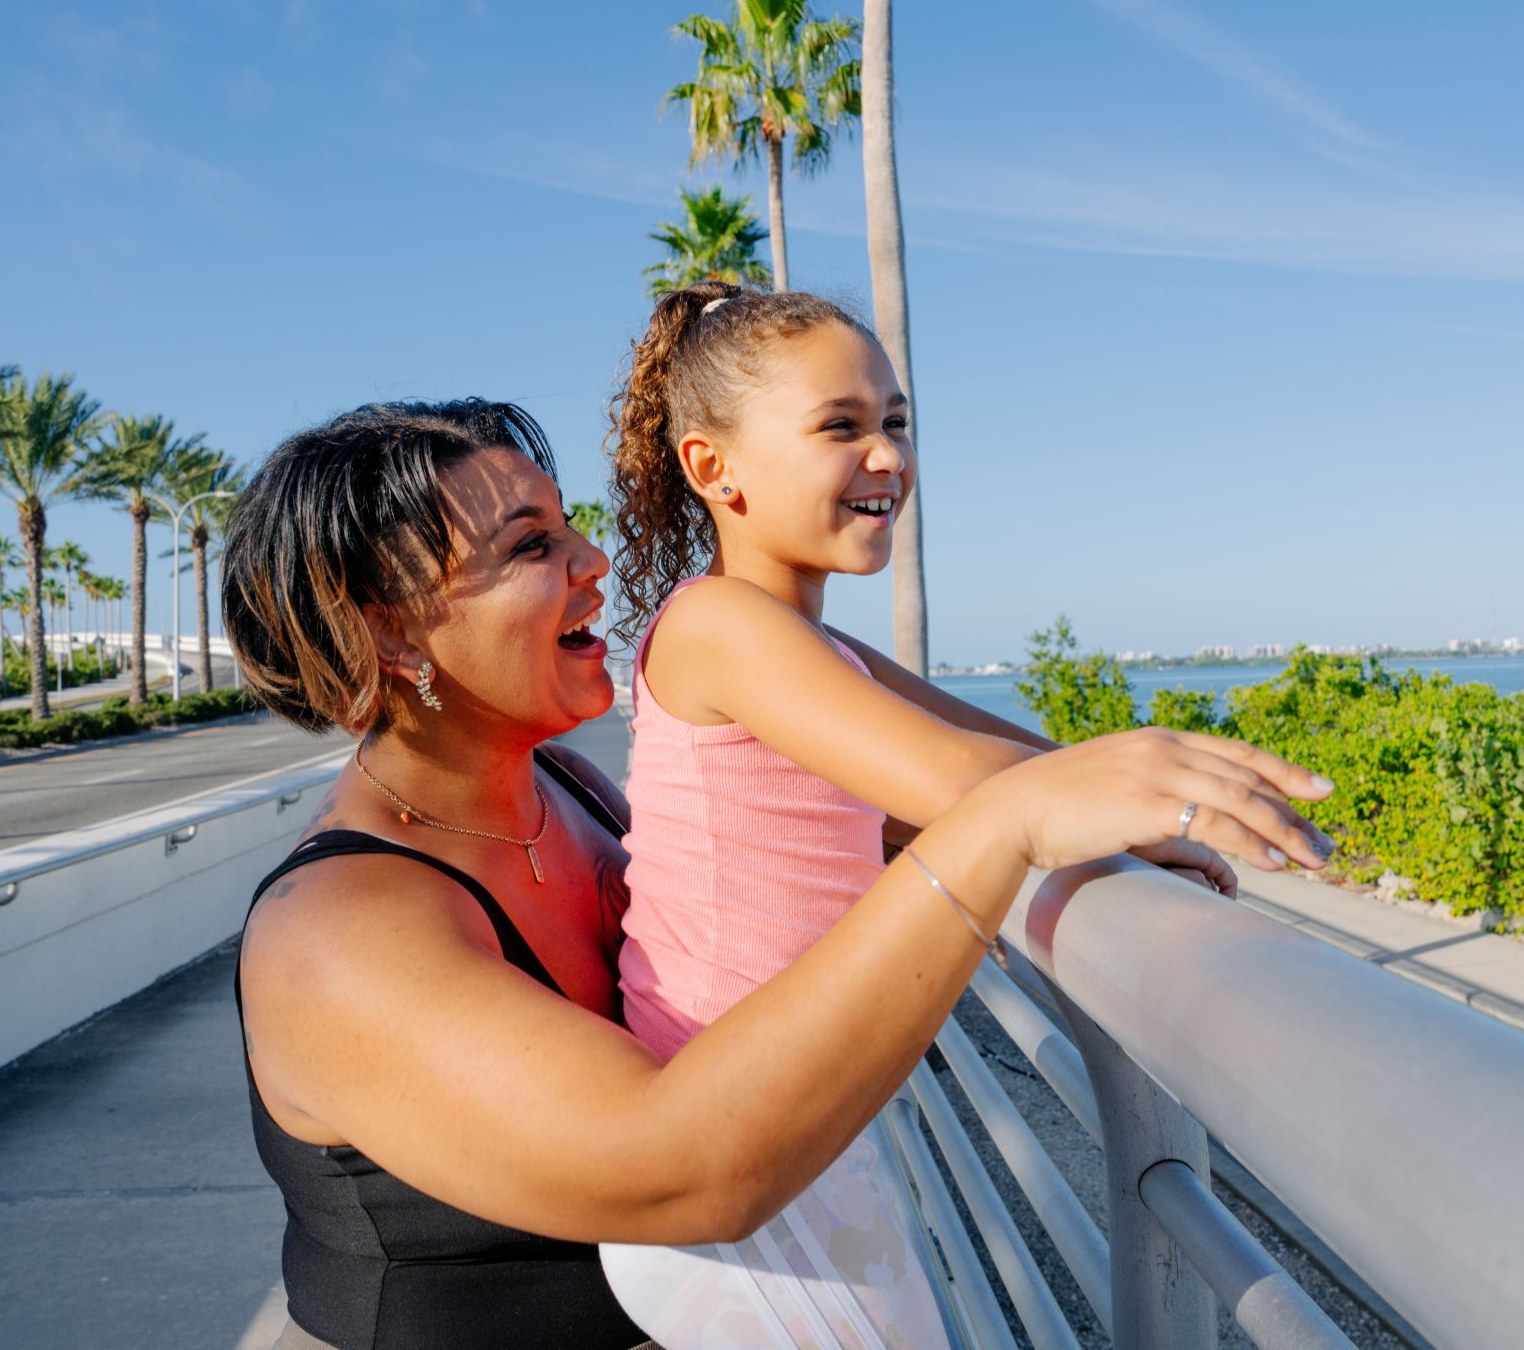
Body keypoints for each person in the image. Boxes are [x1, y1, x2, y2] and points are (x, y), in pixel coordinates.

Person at [221, 398, 1336, 1349]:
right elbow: (682, 1170)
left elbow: (832, 810)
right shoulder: (339, 932)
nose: (595, 563)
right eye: (528, 548)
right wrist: (1001, 829)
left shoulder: (566, 789)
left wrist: (1094, 817)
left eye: (571, 529)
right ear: (391, 637)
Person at [589, 285, 1324, 1344]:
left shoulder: (814, 647)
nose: (886, 455)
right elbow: (957, 778)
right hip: (740, 1146)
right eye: (840, 426)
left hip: (801, 1126)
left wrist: (1137, 812)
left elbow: (1016, 755)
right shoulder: (717, 625)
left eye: (894, 422)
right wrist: (1152, 802)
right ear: (715, 468)